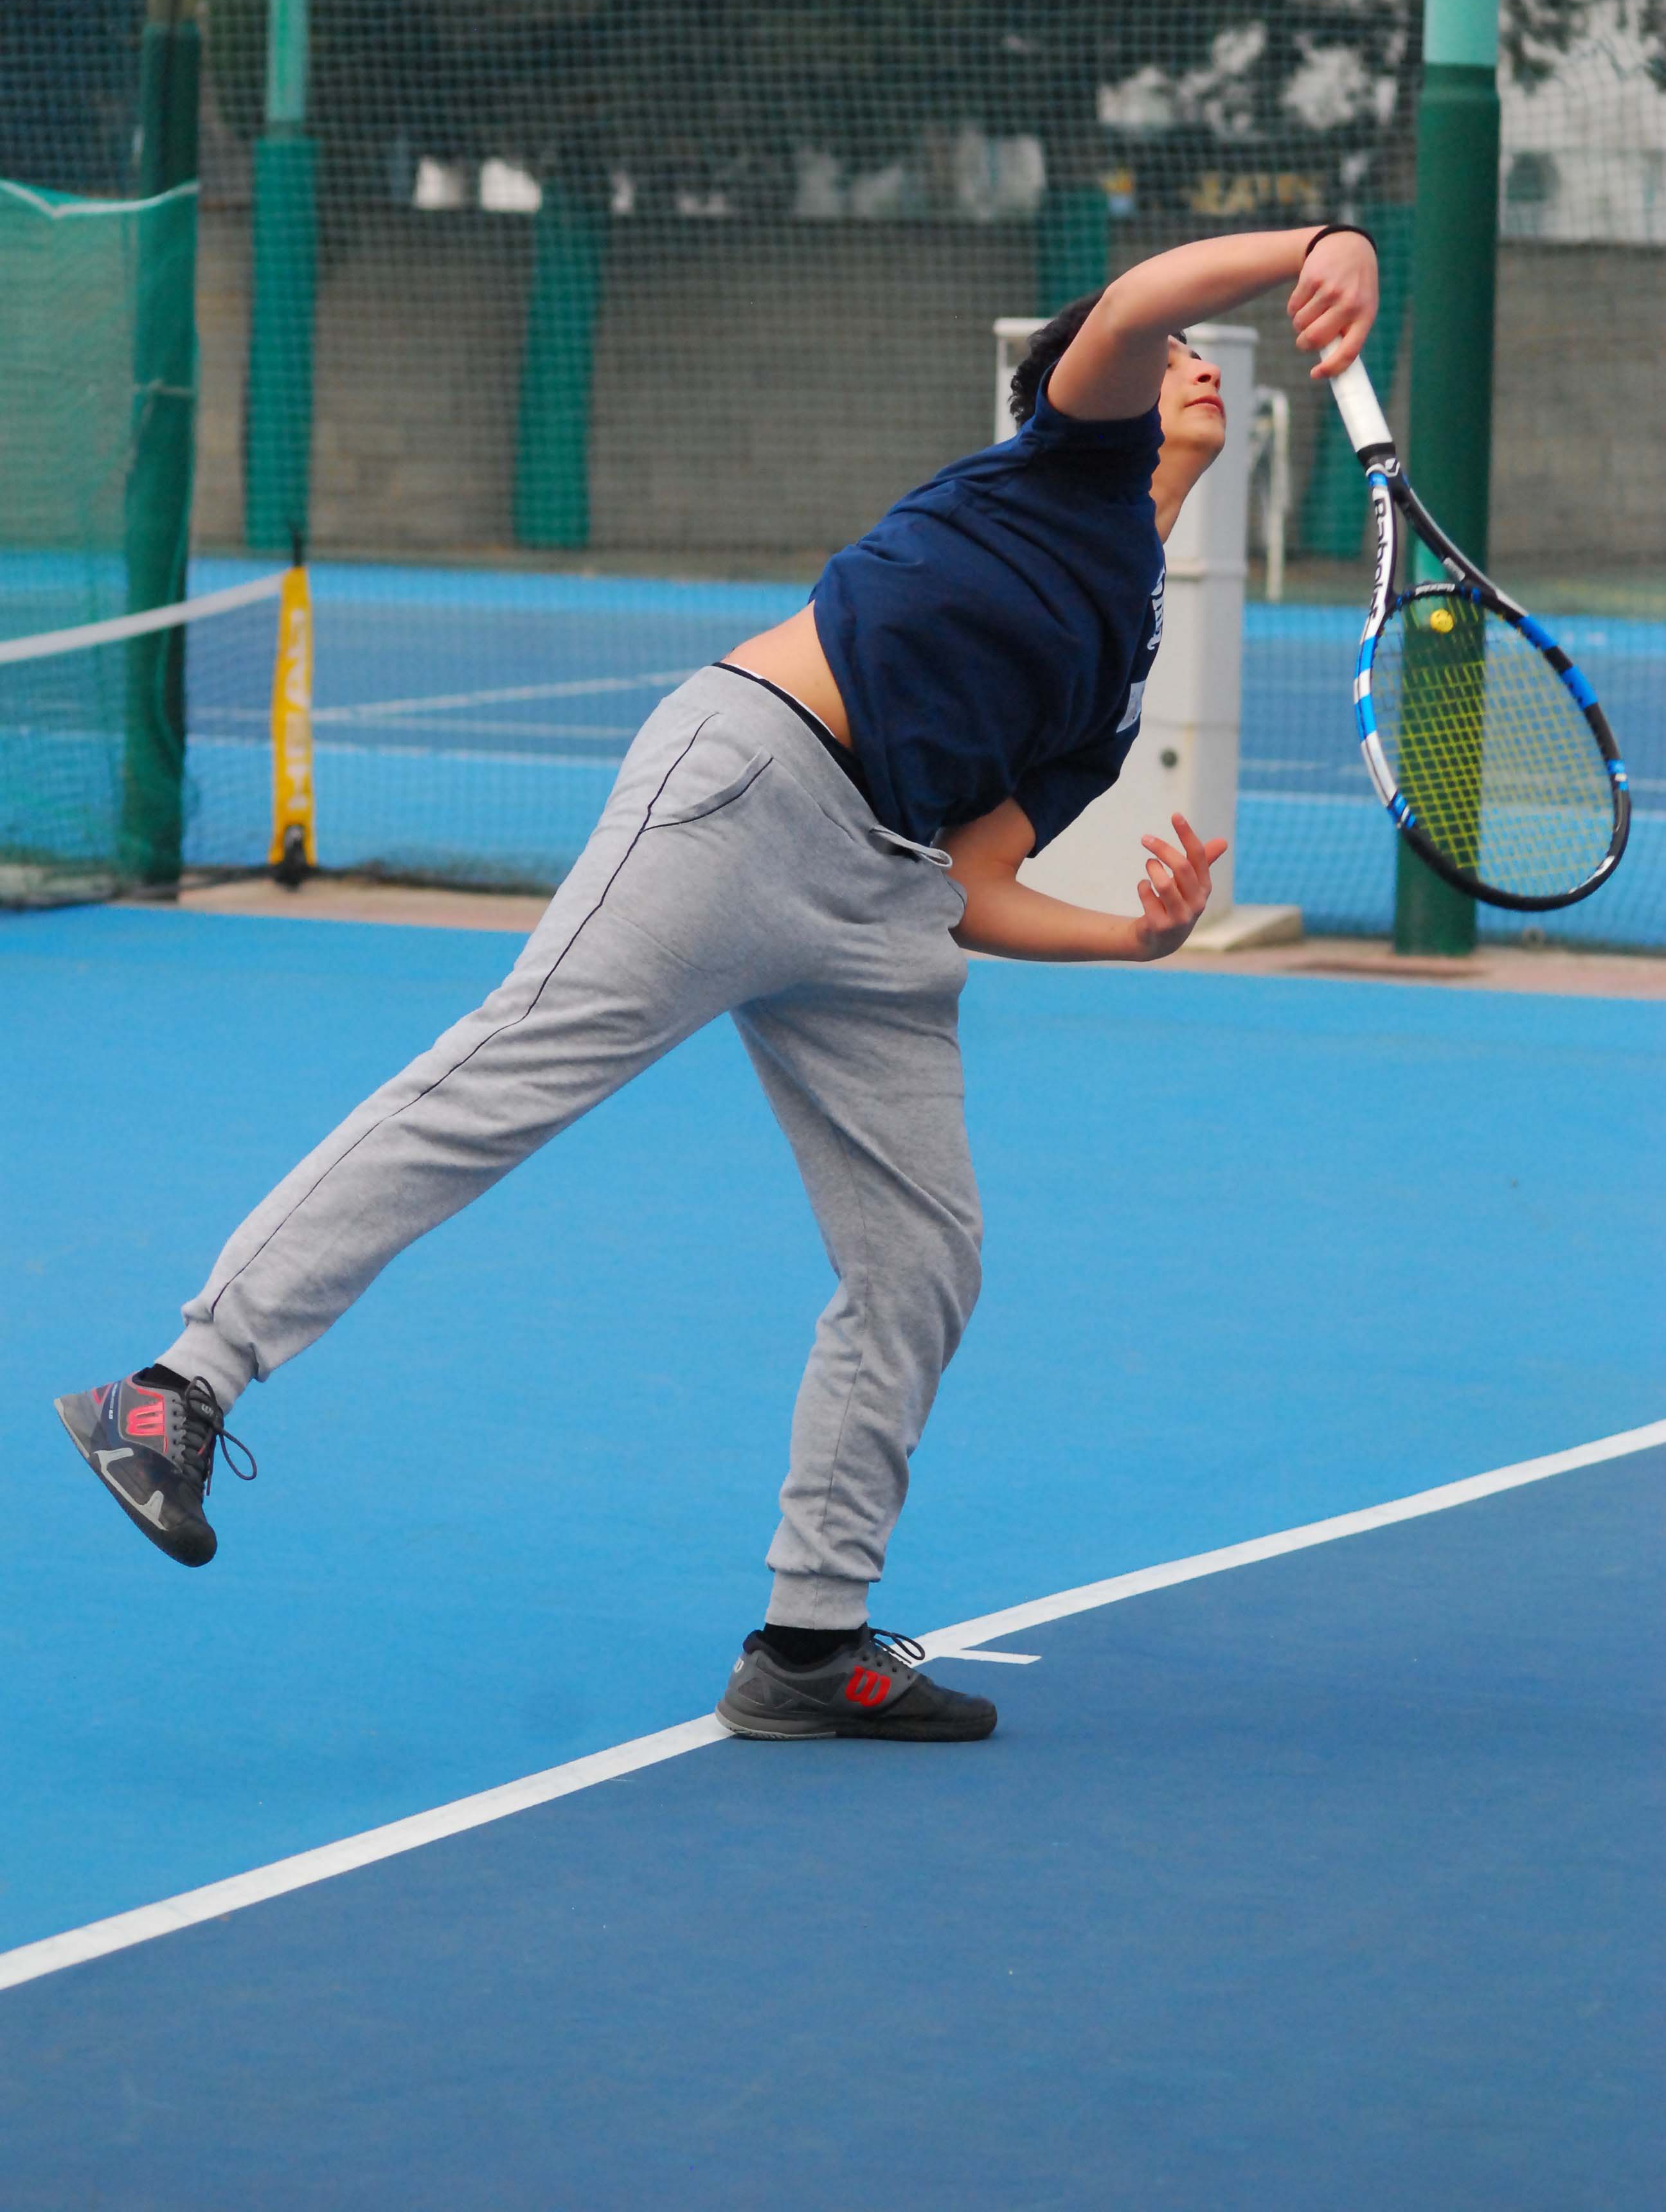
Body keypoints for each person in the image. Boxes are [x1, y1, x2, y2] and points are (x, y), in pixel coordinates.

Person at [55, 221, 1378, 1744]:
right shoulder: (1062, 464)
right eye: (1174, 355)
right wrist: (1325, 241)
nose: (1195, 365)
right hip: (752, 790)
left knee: (923, 1261)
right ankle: (177, 1387)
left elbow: (976, 883)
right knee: (500, 1083)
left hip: (885, 905)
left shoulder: (1120, 666)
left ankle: (809, 1642)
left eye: (1204, 356)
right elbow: (1146, 295)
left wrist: (1135, 937)